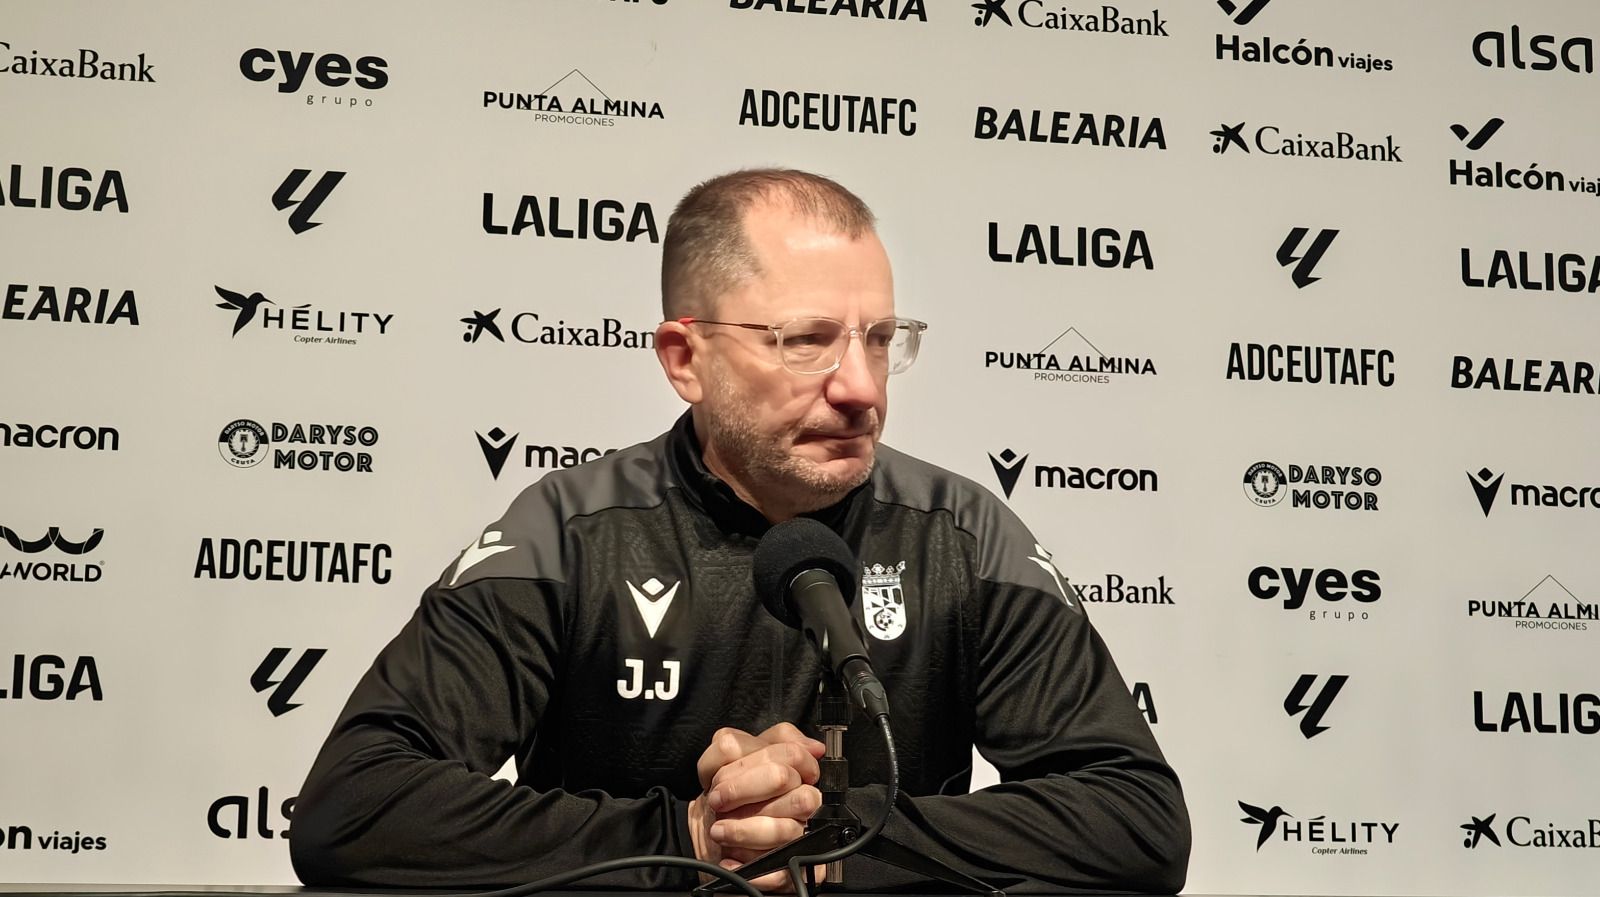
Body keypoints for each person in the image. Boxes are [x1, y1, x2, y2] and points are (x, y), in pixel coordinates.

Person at [290, 169, 1190, 893]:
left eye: (879, 338)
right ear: (686, 360)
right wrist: (686, 836)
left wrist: (840, 837)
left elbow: (1139, 819)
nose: (862, 387)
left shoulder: (962, 533)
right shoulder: (569, 532)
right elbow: (354, 804)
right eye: (807, 340)